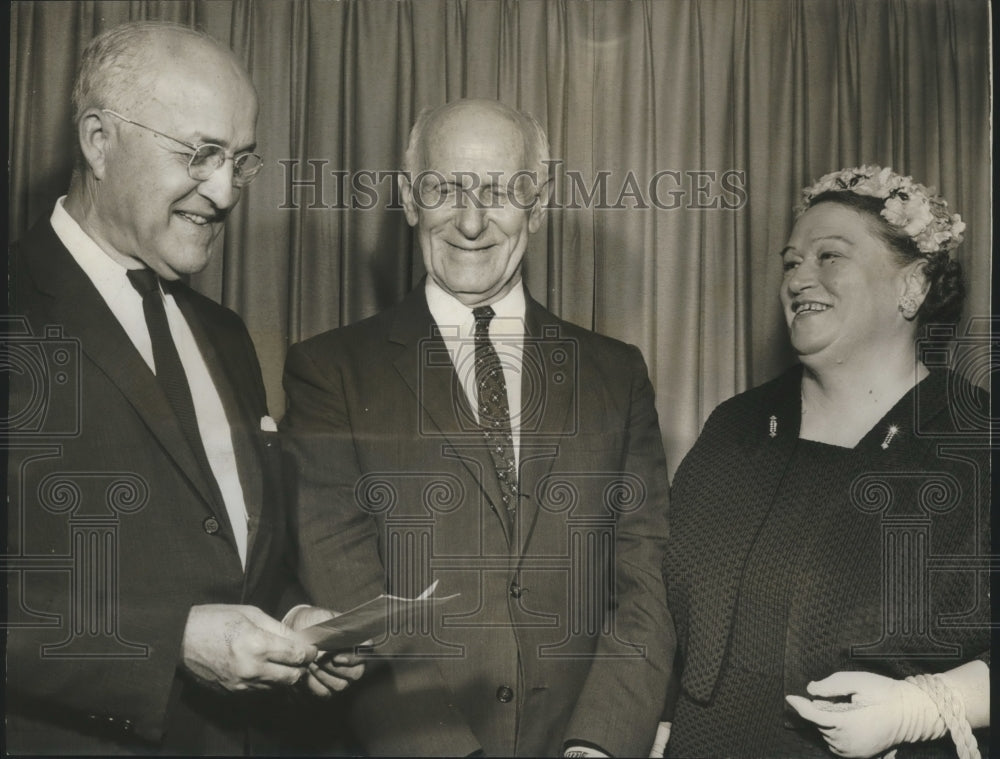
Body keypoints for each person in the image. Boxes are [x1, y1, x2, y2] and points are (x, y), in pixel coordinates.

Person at [5, 21, 362, 754]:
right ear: (99, 141)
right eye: (200, 154)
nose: (226, 191)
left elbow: (232, 555)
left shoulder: (225, 336)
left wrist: (294, 620)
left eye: (241, 161)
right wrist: (168, 640)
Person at [281, 98, 674, 757]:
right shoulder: (329, 372)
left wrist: (598, 744)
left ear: (539, 204)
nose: (470, 221)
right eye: (444, 188)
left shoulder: (617, 373)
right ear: (410, 199)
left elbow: (647, 581)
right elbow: (345, 586)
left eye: (500, 192)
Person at [661, 166, 989, 758]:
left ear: (911, 288)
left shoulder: (979, 440)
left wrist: (926, 706)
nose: (798, 278)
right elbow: (656, 604)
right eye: (791, 262)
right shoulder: (736, 425)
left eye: (829, 256)